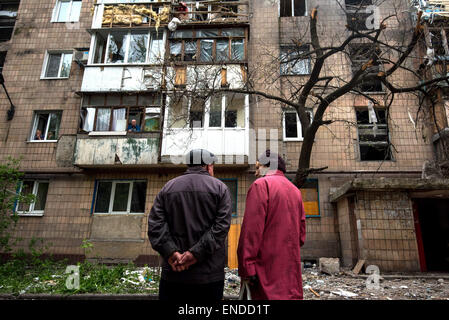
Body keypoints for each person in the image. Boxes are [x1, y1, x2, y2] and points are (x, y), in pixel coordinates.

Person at [148, 149, 232, 301]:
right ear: (208, 166)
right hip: (209, 277)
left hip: (173, 274)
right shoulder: (221, 189)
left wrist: (172, 253)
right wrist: (194, 255)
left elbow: (155, 226)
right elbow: (220, 228)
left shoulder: (167, 188)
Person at [237, 150, 306, 300]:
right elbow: (301, 236)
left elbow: (251, 232)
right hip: (289, 270)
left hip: (265, 270)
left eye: (258, 167)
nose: (256, 173)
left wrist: (246, 268)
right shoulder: (295, 191)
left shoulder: (261, 185)